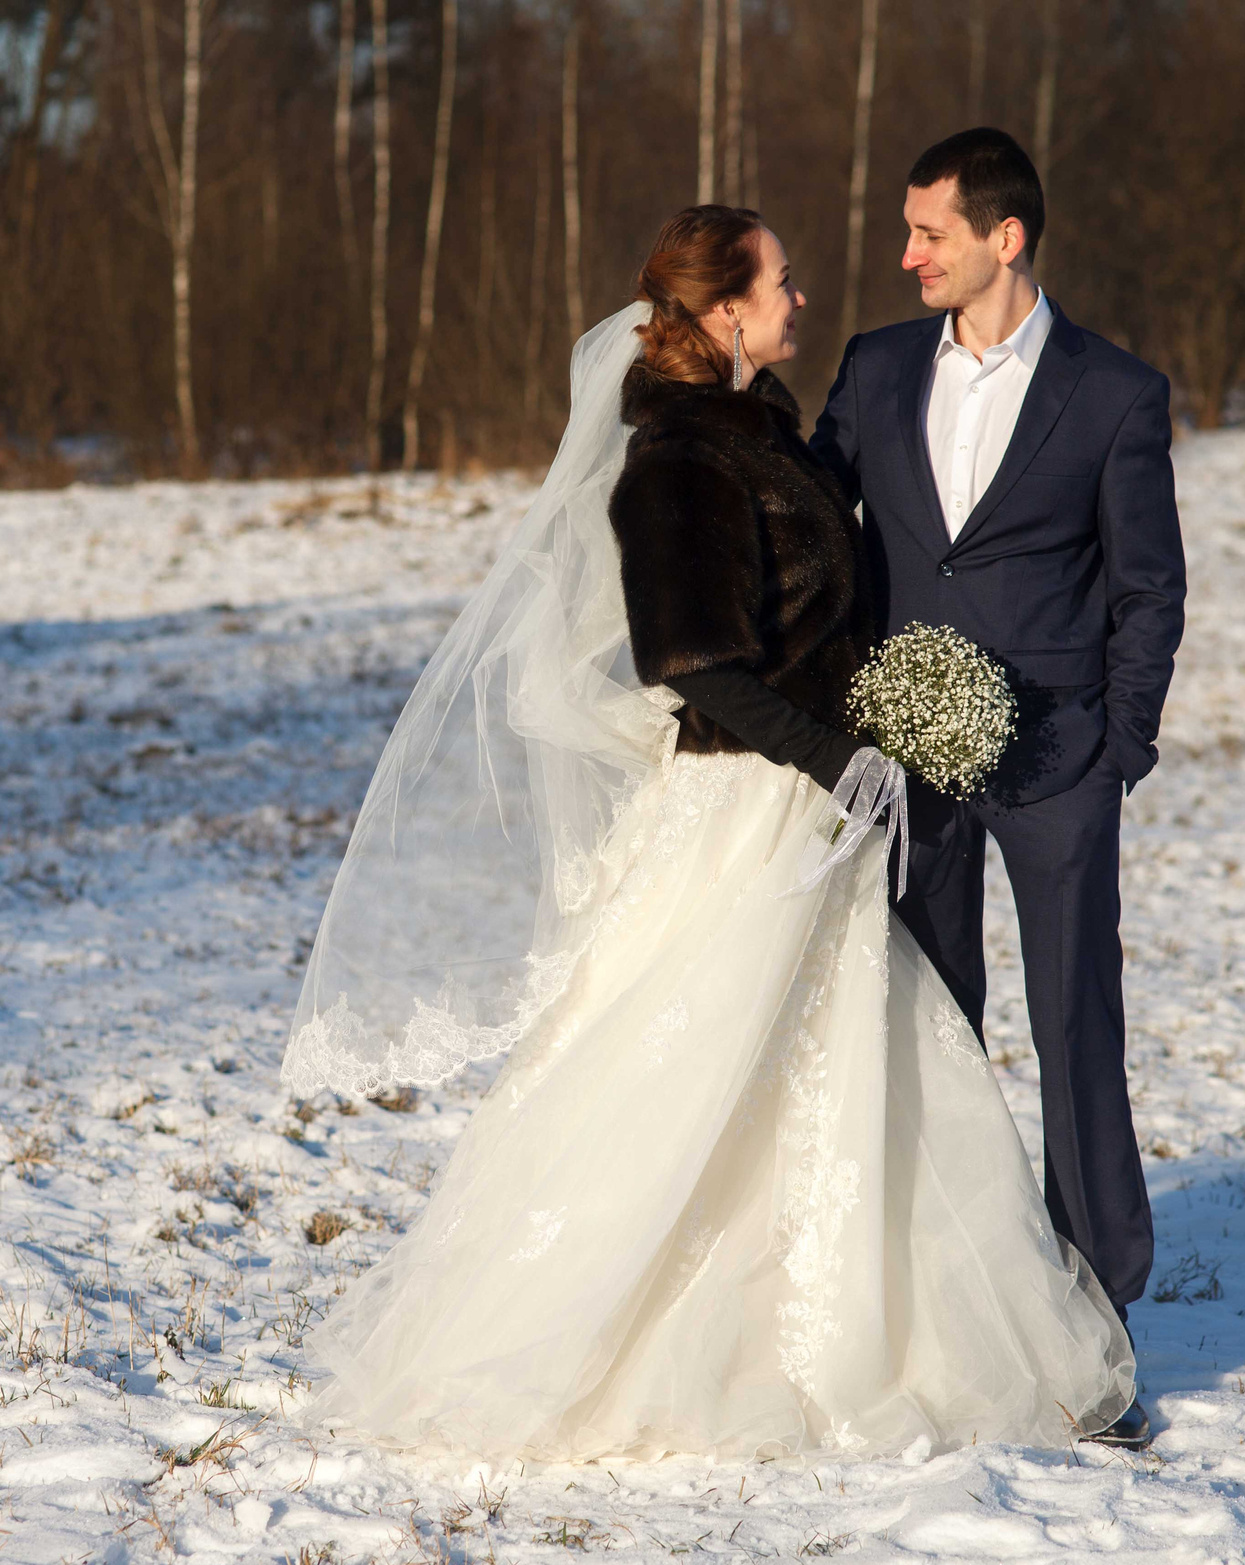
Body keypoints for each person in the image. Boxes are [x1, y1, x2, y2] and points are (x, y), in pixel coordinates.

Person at [278, 204, 1135, 1464]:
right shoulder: (678, 459)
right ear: (725, 311)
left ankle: (850, 1327)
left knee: (844, 1077)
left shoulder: (760, 432)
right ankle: (602, 1342)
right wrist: (841, 757)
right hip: (746, 808)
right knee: (682, 1067)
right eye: (781, 282)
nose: (802, 297)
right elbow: (695, 663)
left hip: (808, 808)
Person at [810, 128, 1187, 1450]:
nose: (906, 253)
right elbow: (814, 535)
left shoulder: (1117, 394)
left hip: (1058, 766)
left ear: (1004, 238)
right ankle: (950, 1316)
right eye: (909, 232)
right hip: (910, 763)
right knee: (928, 1027)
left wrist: (1115, 747)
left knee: (1080, 1031)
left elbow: (1148, 585)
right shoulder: (872, 367)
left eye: (930, 232)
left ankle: (1097, 1331)